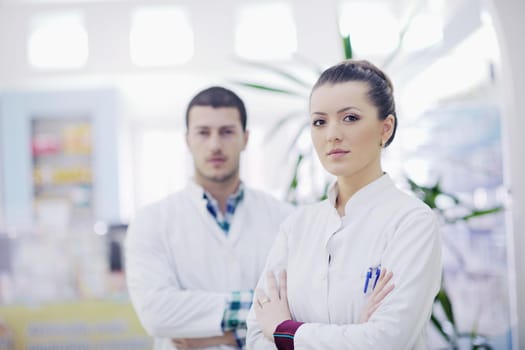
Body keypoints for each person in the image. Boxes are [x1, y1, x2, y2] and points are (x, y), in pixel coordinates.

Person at [246, 59, 442, 349]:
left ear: (385, 129)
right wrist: (353, 334)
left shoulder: (412, 222)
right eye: (319, 122)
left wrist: (284, 331)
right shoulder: (296, 226)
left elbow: (385, 341)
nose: (332, 134)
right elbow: (254, 338)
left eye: (350, 118)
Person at [125, 86, 293, 350]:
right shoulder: (151, 221)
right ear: (187, 139)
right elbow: (156, 312)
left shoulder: (284, 217)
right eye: (203, 133)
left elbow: (300, 306)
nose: (215, 144)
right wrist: (265, 311)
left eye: (227, 132)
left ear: (245, 138)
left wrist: (223, 336)